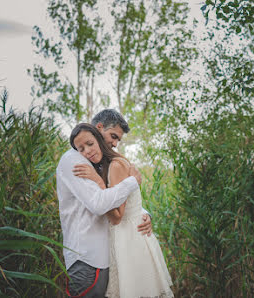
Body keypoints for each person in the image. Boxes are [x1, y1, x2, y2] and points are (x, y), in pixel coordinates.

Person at [71, 123, 173, 298]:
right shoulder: (104, 165)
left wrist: (98, 182)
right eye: (81, 149)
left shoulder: (115, 165)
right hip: (123, 238)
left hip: (129, 240)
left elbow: (117, 216)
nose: (87, 151)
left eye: (90, 144)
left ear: (97, 139)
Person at [57, 110, 152, 297]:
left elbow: (115, 197)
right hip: (86, 257)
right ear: (99, 128)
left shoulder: (99, 162)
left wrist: (143, 213)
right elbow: (99, 204)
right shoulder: (74, 160)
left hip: (105, 256)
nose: (115, 144)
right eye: (113, 136)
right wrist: (132, 182)